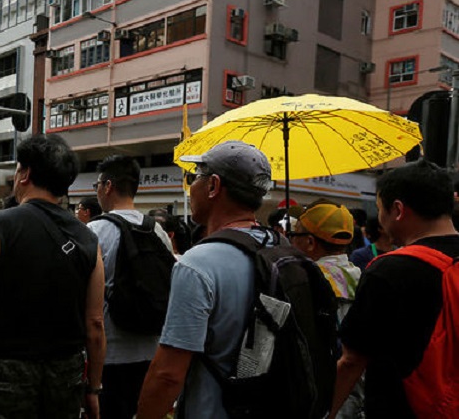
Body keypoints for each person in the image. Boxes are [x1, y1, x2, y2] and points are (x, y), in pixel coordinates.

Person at [0, 134, 106, 419]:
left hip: (3, 373)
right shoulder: (88, 239)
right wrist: (94, 387)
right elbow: (95, 324)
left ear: (25, 174)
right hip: (65, 375)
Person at [137, 141, 273, 418]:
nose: (190, 187)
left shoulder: (198, 263)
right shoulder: (282, 251)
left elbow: (167, 375)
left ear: (213, 186)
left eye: (193, 177)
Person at [331, 160, 459, 417]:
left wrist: (326, 411)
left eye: (380, 209)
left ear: (398, 210)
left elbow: (352, 361)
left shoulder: (389, 270)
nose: (380, 219)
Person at [87, 155, 172, 419]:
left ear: (108, 186)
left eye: (97, 185)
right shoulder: (157, 232)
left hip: (107, 358)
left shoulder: (93, 232)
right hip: (151, 354)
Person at [289, 202, 363, 418]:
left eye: (295, 233)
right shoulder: (363, 276)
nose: (291, 239)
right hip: (358, 396)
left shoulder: (303, 283)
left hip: (320, 400)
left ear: (310, 242)